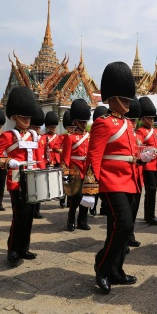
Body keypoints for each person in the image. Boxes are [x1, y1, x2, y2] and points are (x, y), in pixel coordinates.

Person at [81, 61, 149, 294]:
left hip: (129, 181)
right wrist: (90, 189)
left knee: (117, 229)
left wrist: (141, 158)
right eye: (125, 98)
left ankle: (116, 270)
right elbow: (94, 157)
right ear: (112, 98)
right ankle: (102, 266)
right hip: (111, 183)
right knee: (125, 225)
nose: (129, 102)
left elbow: (127, 155)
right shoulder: (103, 124)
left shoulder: (127, 124)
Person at [0, 86, 41, 266]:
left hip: (34, 179)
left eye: (28, 116)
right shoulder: (8, 136)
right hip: (17, 181)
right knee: (19, 216)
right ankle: (12, 249)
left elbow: (39, 158)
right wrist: (7, 162)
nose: (27, 120)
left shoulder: (35, 136)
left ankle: (24, 248)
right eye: (23, 117)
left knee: (29, 216)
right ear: (14, 117)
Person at [63, 98, 91, 231]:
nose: (84, 124)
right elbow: (66, 157)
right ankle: (70, 220)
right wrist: (66, 173)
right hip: (75, 170)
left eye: (85, 121)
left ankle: (83, 221)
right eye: (81, 121)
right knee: (76, 197)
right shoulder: (70, 137)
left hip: (87, 170)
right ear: (75, 121)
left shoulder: (89, 136)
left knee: (86, 196)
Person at [136, 96, 157, 225]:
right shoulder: (141, 131)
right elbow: (139, 145)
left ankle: (151, 214)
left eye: (152, 118)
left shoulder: (155, 131)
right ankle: (149, 216)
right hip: (147, 166)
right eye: (149, 118)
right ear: (143, 118)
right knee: (150, 191)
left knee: (153, 191)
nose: (151, 120)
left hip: (155, 165)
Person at [125, 98, 143, 248]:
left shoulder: (138, 136)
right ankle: (125, 237)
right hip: (126, 178)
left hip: (138, 177)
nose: (134, 122)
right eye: (131, 119)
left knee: (134, 208)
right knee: (126, 212)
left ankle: (130, 234)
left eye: (135, 119)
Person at [44, 111, 65, 208]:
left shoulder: (59, 137)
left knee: (61, 180)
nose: (53, 129)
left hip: (58, 159)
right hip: (48, 159)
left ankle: (62, 200)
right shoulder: (44, 137)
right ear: (47, 127)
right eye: (51, 127)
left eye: (54, 127)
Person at [90, 106, 108, 216]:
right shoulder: (95, 130)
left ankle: (104, 207)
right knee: (95, 188)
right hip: (97, 163)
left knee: (104, 189)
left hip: (105, 163)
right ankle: (93, 207)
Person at [30, 107, 47, 219]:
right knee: (32, 191)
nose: (38, 129)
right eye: (35, 127)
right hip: (32, 166)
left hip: (41, 165)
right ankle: (32, 210)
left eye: (39, 127)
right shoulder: (29, 137)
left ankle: (37, 210)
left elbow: (44, 152)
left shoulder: (43, 138)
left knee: (39, 191)